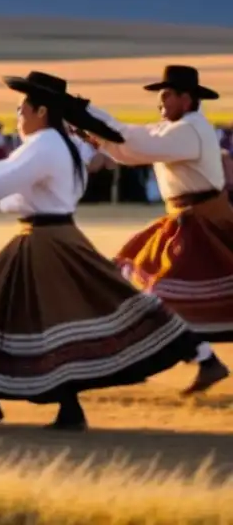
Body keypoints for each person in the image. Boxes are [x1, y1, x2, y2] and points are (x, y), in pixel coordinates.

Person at [0, 73, 202, 431]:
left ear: (41, 110)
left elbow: (0, 179)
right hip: (47, 237)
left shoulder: (45, 143)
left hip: (46, 242)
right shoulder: (56, 143)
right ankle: (29, 405)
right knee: (46, 319)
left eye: (22, 108)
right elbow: (25, 191)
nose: (17, 115)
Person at [83, 65, 231, 392]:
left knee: (155, 296)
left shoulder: (188, 130)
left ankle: (197, 359)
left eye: (166, 95)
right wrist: (92, 127)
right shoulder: (177, 128)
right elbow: (131, 146)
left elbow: (137, 143)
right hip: (184, 222)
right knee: (142, 290)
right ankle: (203, 359)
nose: (160, 101)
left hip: (201, 224)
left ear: (186, 98)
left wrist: (87, 114)